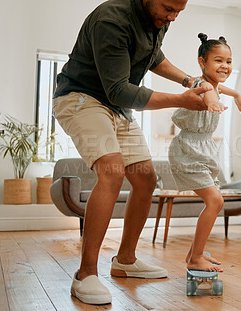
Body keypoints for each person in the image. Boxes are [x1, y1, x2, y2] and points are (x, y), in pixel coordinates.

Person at [52, 0, 215, 305]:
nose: (173, 17)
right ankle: (85, 274)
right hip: (82, 97)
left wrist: (189, 80)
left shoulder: (158, 21)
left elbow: (154, 57)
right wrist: (181, 99)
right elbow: (120, 90)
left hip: (116, 108)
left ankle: (125, 261)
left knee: (145, 179)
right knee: (112, 171)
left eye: (179, 11)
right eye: (168, 8)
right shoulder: (111, 20)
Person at [168, 33, 241, 272]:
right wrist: (211, 101)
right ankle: (195, 257)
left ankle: (194, 254)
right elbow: (209, 91)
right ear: (202, 62)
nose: (225, 66)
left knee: (214, 201)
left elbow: (221, 89)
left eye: (229, 61)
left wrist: (237, 96)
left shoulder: (215, 86)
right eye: (218, 61)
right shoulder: (199, 85)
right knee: (215, 200)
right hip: (188, 150)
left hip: (202, 149)